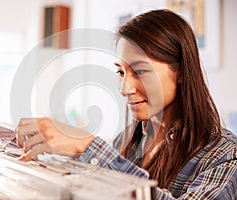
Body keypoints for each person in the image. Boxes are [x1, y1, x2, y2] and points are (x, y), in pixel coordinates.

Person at [15, 9, 237, 199]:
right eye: (121, 72)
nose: (124, 88)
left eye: (140, 71)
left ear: (180, 72)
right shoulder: (127, 140)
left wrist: (88, 146)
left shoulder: (224, 155)